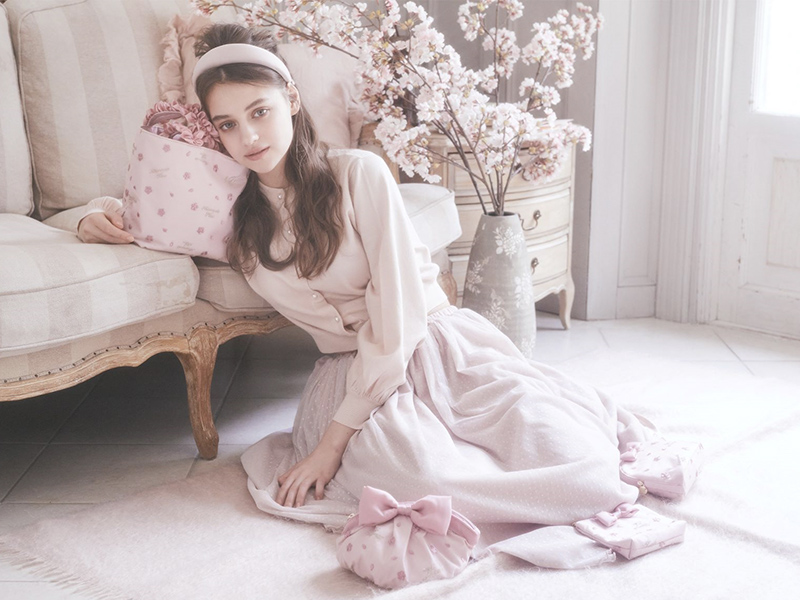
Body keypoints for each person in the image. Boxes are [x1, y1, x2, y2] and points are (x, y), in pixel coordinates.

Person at [78, 23, 651, 561]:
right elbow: (134, 212)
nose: (247, 137)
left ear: (291, 100)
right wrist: (91, 217)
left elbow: (399, 317)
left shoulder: (358, 174)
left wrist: (329, 448)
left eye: (260, 111)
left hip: (435, 350)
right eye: (226, 124)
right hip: (346, 377)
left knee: (576, 460)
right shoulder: (231, 218)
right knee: (419, 477)